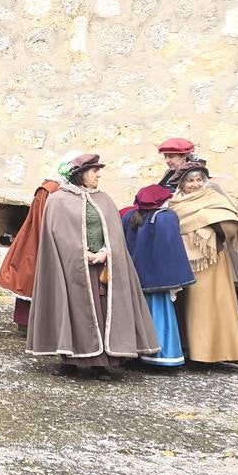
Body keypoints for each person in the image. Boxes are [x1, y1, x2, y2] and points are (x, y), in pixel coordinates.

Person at [27, 154, 159, 377]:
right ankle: (69, 360)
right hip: (69, 268)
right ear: (80, 174)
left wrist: (107, 252)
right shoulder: (58, 200)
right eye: (93, 171)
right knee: (71, 310)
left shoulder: (105, 199)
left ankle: (100, 363)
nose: (98, 175)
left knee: (101, 313)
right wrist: (81, 254)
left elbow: (115, 233)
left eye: (98, 171)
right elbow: (56, 235)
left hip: (102, 267)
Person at [167, 161, 238, 364]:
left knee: (213, 307)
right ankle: (191, 351)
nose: (195, 184)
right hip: (185, 262)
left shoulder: (214, 198)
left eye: (198, 180)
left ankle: (219, 352)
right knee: (189, 308)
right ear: (182, 184)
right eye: (190, 181)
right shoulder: (175, 203)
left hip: (211, 262)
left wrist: (207, 226)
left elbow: (231, 225)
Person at [121, 185, 195, 368]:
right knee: (161, 317)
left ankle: (135, 354)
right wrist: (177, 280)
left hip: (135, 277)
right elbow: (173, 250)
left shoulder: (129, 217)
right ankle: (162, 356)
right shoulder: (166, 218)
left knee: (136, 315)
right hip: (159, 280)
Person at [0, 175, 61, 331]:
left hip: (47, 241)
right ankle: (28, 323)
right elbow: (42, 220)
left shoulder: (56, 190)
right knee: (29, 277)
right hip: (39, 241)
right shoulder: (48, 191)